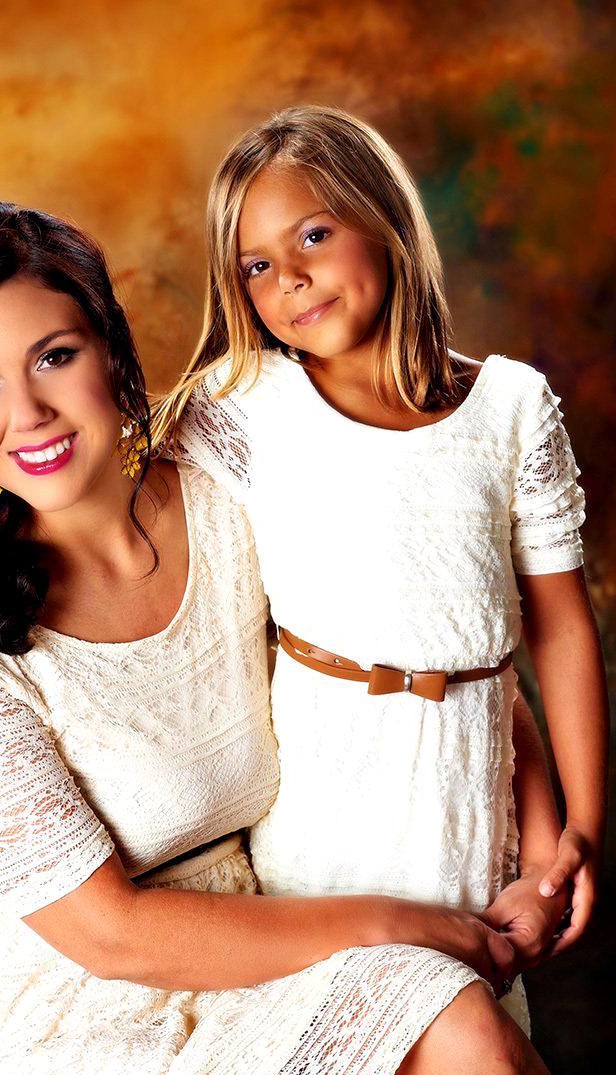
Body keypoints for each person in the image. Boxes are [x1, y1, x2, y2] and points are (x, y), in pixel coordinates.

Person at [0, 202, 580, 1075]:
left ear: (111, 349)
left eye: (54, 356)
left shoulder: (225, 473)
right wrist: (401, 925)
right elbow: (109, 934)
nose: (24, 415)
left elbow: (428, 636)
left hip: (251, 924)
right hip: (54, 1010)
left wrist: (548, 842)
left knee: (474, 1044)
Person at [154, 106, 609, 1023]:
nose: (290, 279)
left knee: (479, 1057)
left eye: (313, 234)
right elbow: (105, 499)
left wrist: (571, 843)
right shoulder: (242, 405)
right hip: (320, 840)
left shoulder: (513, 409)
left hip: (472, 833)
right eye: (255, 266)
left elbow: (555, 631)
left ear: (387, 221)